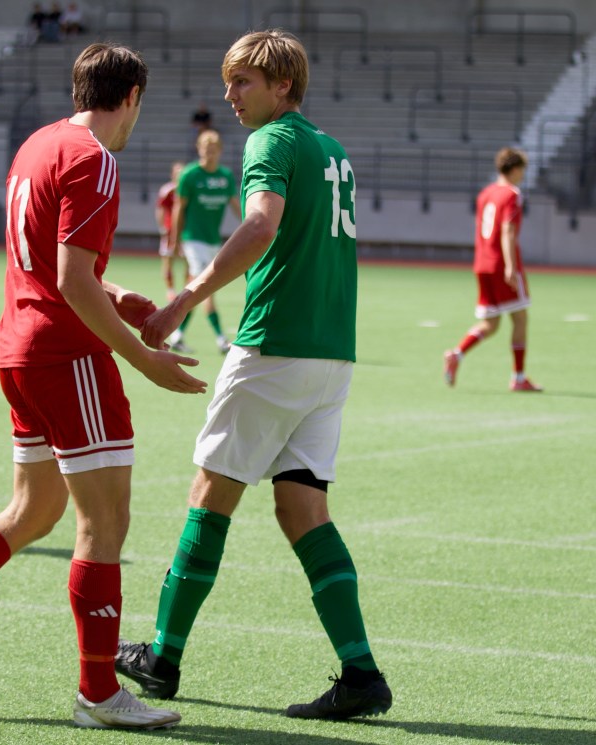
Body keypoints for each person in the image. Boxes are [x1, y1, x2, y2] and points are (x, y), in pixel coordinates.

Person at [0, 42, 205, 730]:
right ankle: (98, 693)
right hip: (67, 356)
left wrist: (117, 295)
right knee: (103, 521)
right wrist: (142, 358)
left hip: (19, 351)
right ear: (132, 98)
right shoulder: (96, 159)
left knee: (33, 510)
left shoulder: (37, 146)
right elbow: (72, 281)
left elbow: (49, 262)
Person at [115, 29, 393, 721]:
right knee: (303, 509)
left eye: (243, 82)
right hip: (331, 356)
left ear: (282, 86)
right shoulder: (333, 149)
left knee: (209, 496)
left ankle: (162, 656)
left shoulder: (271, 141)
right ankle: (361, 672)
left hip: (274, 346)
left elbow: (262, 225)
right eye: (229, 80)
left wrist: (184, 297)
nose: (230, 94)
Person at [444, 147, 541, 392]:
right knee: (520, 318)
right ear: (515, 169)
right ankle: (518, 377)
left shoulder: (486, 193)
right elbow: (508, 231)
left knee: (491, 323)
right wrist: (511, 266)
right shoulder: (512, 194)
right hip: (501, 263)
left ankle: (457, 354)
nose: (523, 175)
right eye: (522, 170)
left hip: (483, 264)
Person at [166, 129, 241, 354]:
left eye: (214, 149)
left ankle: (176, 334)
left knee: (194, 288)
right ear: (198, 149)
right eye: (206, 149)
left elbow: (235, 205)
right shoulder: (190, 175)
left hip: (213, 241)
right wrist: (175, 240)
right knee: (204, 287)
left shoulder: (225, 176)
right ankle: (220, 338)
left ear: (220, 151)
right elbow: (179, 208)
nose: (210, 153)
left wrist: (253, 223)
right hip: (193, 240)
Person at [156, 161, 185, 301]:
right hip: (169, 231)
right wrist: (162, 227)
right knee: (168, 259)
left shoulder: (188, 189)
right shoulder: (168, 190)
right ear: (172, 174)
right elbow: (160, 209)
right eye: (177, 172)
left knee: (189, 261)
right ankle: (170, 290)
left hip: (185, 232)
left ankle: (187, 289)